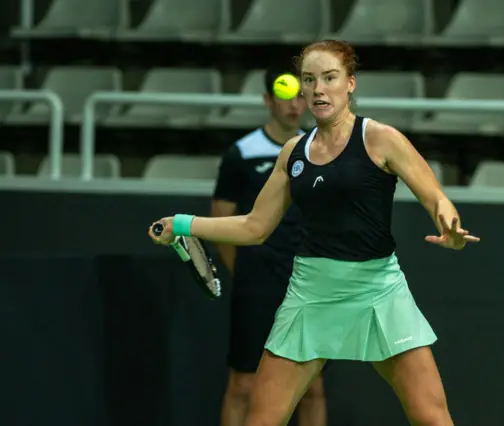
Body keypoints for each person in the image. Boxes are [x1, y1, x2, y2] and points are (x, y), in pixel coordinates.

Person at [150, 39, 480, 426]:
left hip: (379, 292)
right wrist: (184, 225)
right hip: (311, 295)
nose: (318, 89)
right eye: (310, 80)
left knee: (432, 418)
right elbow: (254, 226)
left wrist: (449, 224)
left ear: (350, 83)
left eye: (329, 78)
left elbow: (435, 198)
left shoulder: (380, 138)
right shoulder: (293, 152)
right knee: (262, 420)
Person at [210, 65, 327, 426]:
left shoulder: (320, 149)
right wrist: (248, 271)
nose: (293, 105)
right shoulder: (241, 154)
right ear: (267, 100)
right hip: (256, 285)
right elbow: (221, 222)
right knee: (243, 385)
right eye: (284, 95)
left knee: (312, 388)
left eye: (299, 96)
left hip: (306, 286)